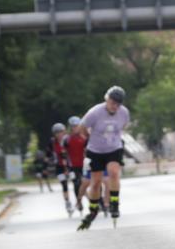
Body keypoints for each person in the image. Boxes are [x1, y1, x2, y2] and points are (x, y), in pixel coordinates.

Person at [77, 86, 130, 230]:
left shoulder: (124, 113)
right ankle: (93, 207)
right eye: (112, 103)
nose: (115, 107)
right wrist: (88, 137)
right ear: (107, 100)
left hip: (114, 148)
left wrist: (115, 138)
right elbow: (81, 128)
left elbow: (124, 126)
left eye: (118, 104)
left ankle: (114, 203)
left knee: (113, 172)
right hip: (95, 150)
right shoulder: (95, 112)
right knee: (95, 182)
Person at [50, 122, 73, 217]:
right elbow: (49, 153)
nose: (59, 134)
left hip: (70, 165)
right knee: (64, 184)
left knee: (77, 182)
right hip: (59, 166)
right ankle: (67, 202)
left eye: (61, 132)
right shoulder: (52, 142)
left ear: (64, 132)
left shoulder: (68, 140)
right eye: (57, 133)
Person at [66, 116, 87, 215]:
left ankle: (97, 201)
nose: (76, 128)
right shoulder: (67, 139)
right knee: (76, 184)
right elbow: (63, 154)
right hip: (72, 166)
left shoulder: (84, 138)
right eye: (73, 126)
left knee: (87, 183)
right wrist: (65, 168)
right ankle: (79, 202)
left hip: (84, 165)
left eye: (77, 126)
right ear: (71, 127)